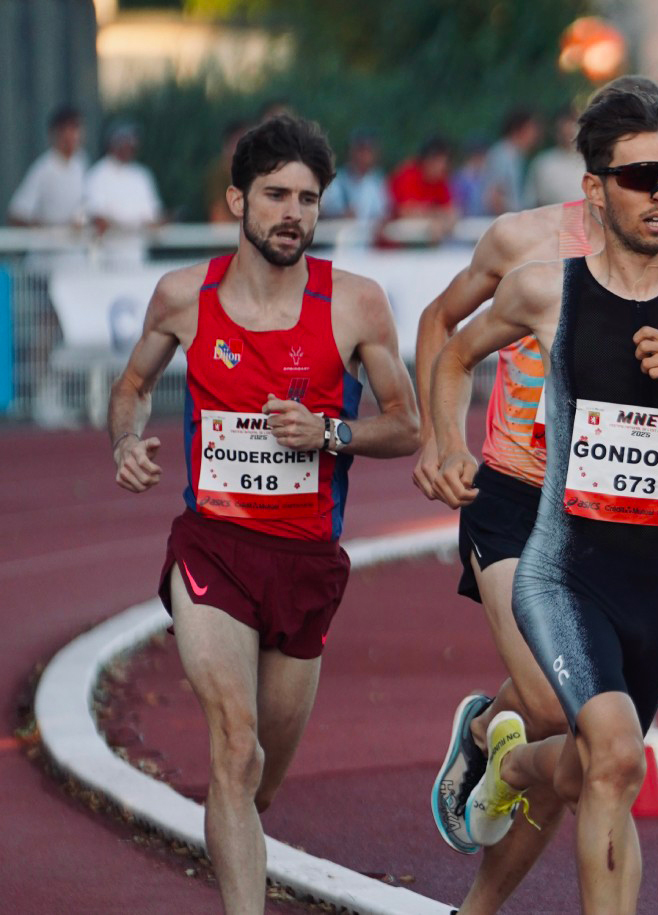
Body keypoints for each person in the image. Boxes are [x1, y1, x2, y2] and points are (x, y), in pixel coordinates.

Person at [425, 80, 658, 914]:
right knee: (616, 748)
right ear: (595, 187)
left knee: (603, 768)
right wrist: (445, 443)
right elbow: (451, 350)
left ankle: (510, 761)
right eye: (640, 177)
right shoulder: (544, 286)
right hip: (561, 560)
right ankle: (501, 743)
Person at [108, 115, 420, 915]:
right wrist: (126, 441)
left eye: (309, 199)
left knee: (260, 781)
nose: (293, 213)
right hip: (212, 548)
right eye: (276, 195)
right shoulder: (185, 295)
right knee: (235, 747)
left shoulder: (354, 303)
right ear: (236, 200)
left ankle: (233, 827)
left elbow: (408, 423)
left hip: (307, 562)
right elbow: (133, 386)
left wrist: (331, 433)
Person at [84, 121, 165, 264]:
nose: (130, 144)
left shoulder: (142, 175)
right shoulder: (98, 174)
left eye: (132, 140)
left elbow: (153, 217)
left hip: (137, 257)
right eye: (125, 139)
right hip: (107, 260)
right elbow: (98, 217)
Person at [7, 104, 87, 227]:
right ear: (55, 133)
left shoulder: (82, 162)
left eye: (76, 128)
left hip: (76, 244)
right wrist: (48, 229)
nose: (73, 135)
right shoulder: (43, 169)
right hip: (50, 244)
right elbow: (17, 214)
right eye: (67, 129)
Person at [524, 106, 586, 208]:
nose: (569, 131)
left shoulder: (592, 162)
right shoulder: (543, 163)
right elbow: (532, 202)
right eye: (564, 126)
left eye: (573, 125)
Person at [483, 109, 541, 215]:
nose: (536, 135)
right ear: (518, 130)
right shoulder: (502, 156)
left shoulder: (517, 157)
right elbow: (494, 198)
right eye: (532, 129)